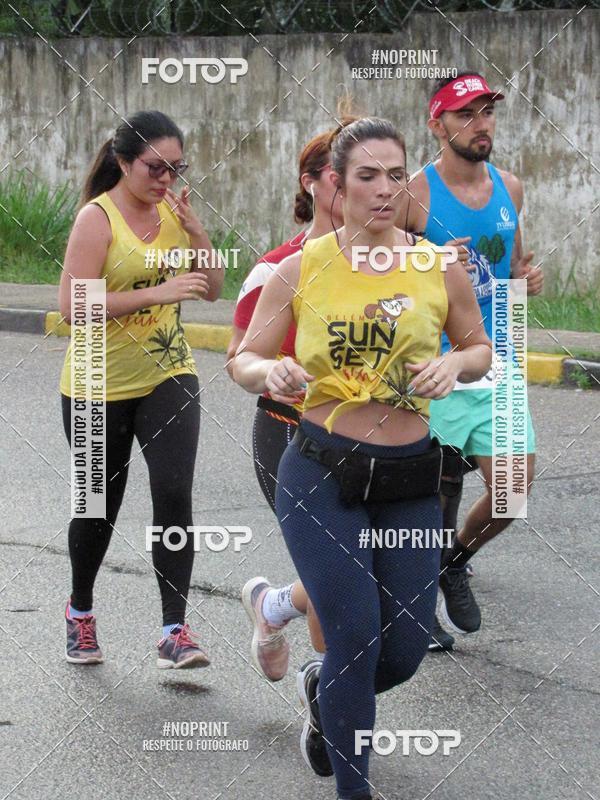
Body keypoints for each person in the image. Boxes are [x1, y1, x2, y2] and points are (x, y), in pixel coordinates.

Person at [232, 117, 492, 800]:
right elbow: (244, 357)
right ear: (337, 188)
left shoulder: (437, 265)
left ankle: (325, 689)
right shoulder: (303, 266)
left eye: (394, 175)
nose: (383, 189)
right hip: (321, 472)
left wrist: (454, 365)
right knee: (352, 632)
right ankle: (355, 788)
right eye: (366, 176)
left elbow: (479, 349)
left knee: (400, 653)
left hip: (407, 478)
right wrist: (271, 373)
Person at [58, 110, 223, 668]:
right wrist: (156, 294)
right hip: (95, 382)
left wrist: (198, 232)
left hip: (167, 372)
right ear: (123, 161)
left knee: (174, 493)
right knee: (98, 505)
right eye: (156, 168)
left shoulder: (176, 215)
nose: (166, 181)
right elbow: (72, 306)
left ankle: (174, 630)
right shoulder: (97, 219)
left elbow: (211, 288)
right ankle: (80, 611)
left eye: (177, 169)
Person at [402, 73, 543, 643]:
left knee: (511, 492)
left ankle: (453, 560)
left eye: (487, 112)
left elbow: (509, 271)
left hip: (497, 361)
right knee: (422, 495)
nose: (481, 124)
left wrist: (525, 280)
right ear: (437, 124)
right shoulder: (415, 192)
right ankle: (416, 607)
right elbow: (375, 267)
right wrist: (424, 257)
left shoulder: (511, 187)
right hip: (429, 363)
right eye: (466, 114)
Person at [227, 117, 355, 684]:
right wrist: (270, 369)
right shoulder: (278, 268)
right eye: (341, 176)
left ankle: (273, 606)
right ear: (312, 183)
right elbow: (238, 358)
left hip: (372, 436)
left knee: (365, 562)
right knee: (335, 567)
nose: (362, 189)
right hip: (290, 432)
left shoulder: (404, 261)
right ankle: (330, 708)